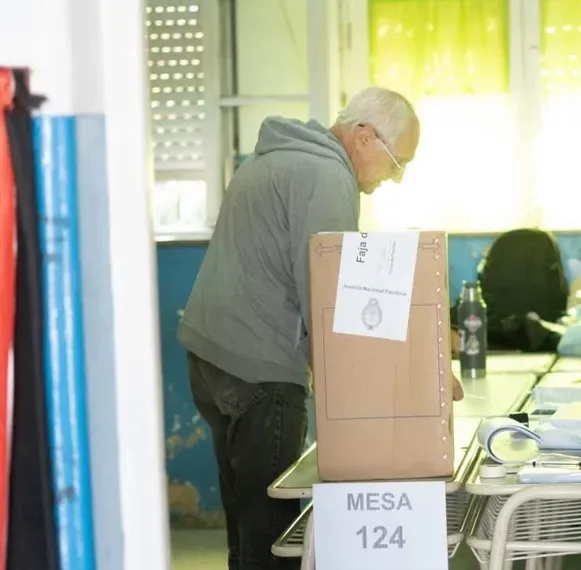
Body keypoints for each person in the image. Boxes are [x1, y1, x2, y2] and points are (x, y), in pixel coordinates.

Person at [178, 86, 462, 570]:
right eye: (398, 162)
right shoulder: (328, 176)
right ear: (365, 137)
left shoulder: (277, 157)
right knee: (274, 541)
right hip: (260, 369)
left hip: (211, 359)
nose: (395, 178)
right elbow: (333, 304)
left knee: (246, 523)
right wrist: (416, 375)